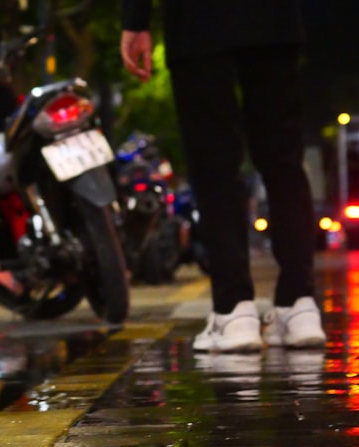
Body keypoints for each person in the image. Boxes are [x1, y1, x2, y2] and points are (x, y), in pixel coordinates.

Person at [120, 0, 326, 353]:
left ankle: (234, 311)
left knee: (215, 163)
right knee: (284, 160)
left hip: (198, 21)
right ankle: (299, 304)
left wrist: (136, 20)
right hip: (273, 20)